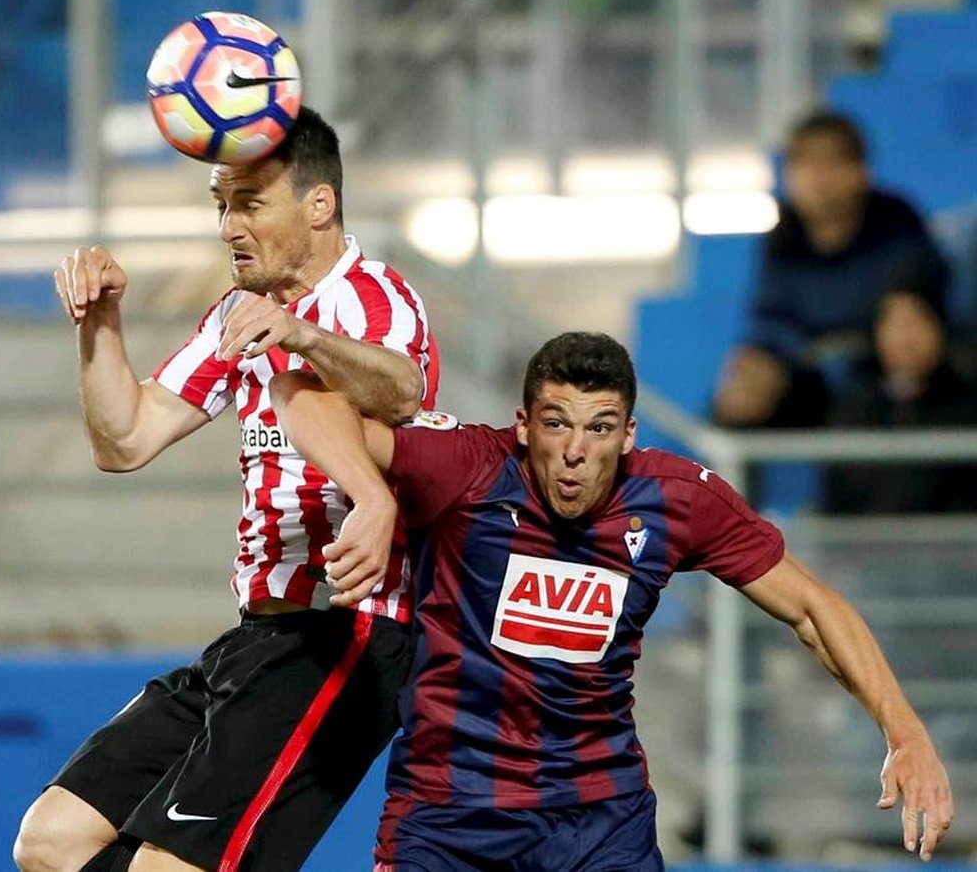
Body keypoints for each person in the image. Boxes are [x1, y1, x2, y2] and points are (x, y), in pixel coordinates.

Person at [270, 331, 955, 871]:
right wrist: (373, 493)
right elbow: (298, 391)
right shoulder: (469, 469)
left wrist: (906, 732)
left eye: (599, 427)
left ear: (628, 435)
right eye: (556, 423)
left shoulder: (674, 501)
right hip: (451, 814)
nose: (574, 451)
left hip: (598, 819)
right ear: (523, 426)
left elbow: (812, 607)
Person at [13, 107, 439, 872]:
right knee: (50, 842)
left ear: (319, 205)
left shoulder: (374, 300)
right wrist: (101, 326)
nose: (227, 226)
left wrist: (306, 337)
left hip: (343, 635)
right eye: (219, 203)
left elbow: (403, 391)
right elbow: (126, 438)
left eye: (248, 202)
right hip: (255, 638)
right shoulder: (236, 316)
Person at [714, 110, 950, 429]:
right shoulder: (784, 239)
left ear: (862, 171)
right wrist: (760, 360)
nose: (819, 178)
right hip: (810, 378)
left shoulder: (898, 227)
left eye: (833, 162)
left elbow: (913, 319)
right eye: (805, 164)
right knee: (740, 396)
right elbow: (772, 320)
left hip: (881, 373)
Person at [824, 283, 977, 514]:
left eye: (917, 321)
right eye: (894, 323)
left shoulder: (967, 409)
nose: (906, 338)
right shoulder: (852, 411)